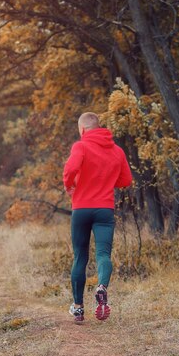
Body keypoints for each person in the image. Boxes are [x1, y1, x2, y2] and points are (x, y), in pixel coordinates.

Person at [63, 112, 133, 323]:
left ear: (83, 129)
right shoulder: (117, 150)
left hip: (81, 208)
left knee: (80, 257)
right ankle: (102, 286)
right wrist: (106, 181)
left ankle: (78, 309)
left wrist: (69, 185)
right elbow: (126, 180)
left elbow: (71, 168)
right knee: (103, 254)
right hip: (104, 209)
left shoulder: (81, 146)